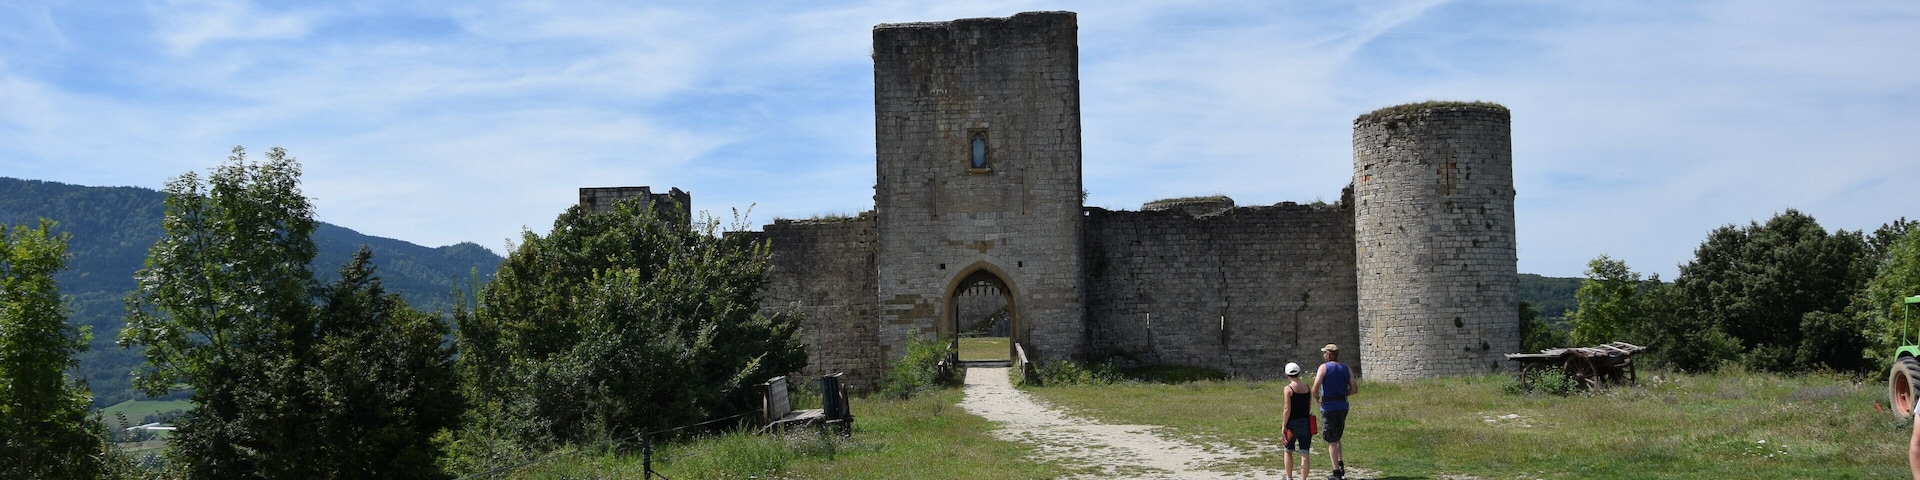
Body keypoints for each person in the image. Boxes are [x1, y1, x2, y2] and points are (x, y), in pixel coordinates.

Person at [1313, 343, 1357, 480]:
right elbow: (1354, 389)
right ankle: (1340, 462)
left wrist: (1317, 398)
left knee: (1331, 440)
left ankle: (1336, 473)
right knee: (1337, 436)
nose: (1323, 355)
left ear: (1329, 355)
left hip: (1329, 407)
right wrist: (1342, 394)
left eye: (1324, 353)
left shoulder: (1324, 368)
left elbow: (1315, 387)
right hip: (1342, 405)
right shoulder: (1346, 368)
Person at [1281, 362, 1312, 480]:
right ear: (1299, 373)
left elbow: (1287, 408)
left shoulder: (1288, 389)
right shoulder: (1307, 387)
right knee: (1304, 452)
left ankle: (1289, 477)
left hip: (1292, 423)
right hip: (1305, 422)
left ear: (1287, 374)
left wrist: (1284, 425)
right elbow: (1308, 406)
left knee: (1288, 450)